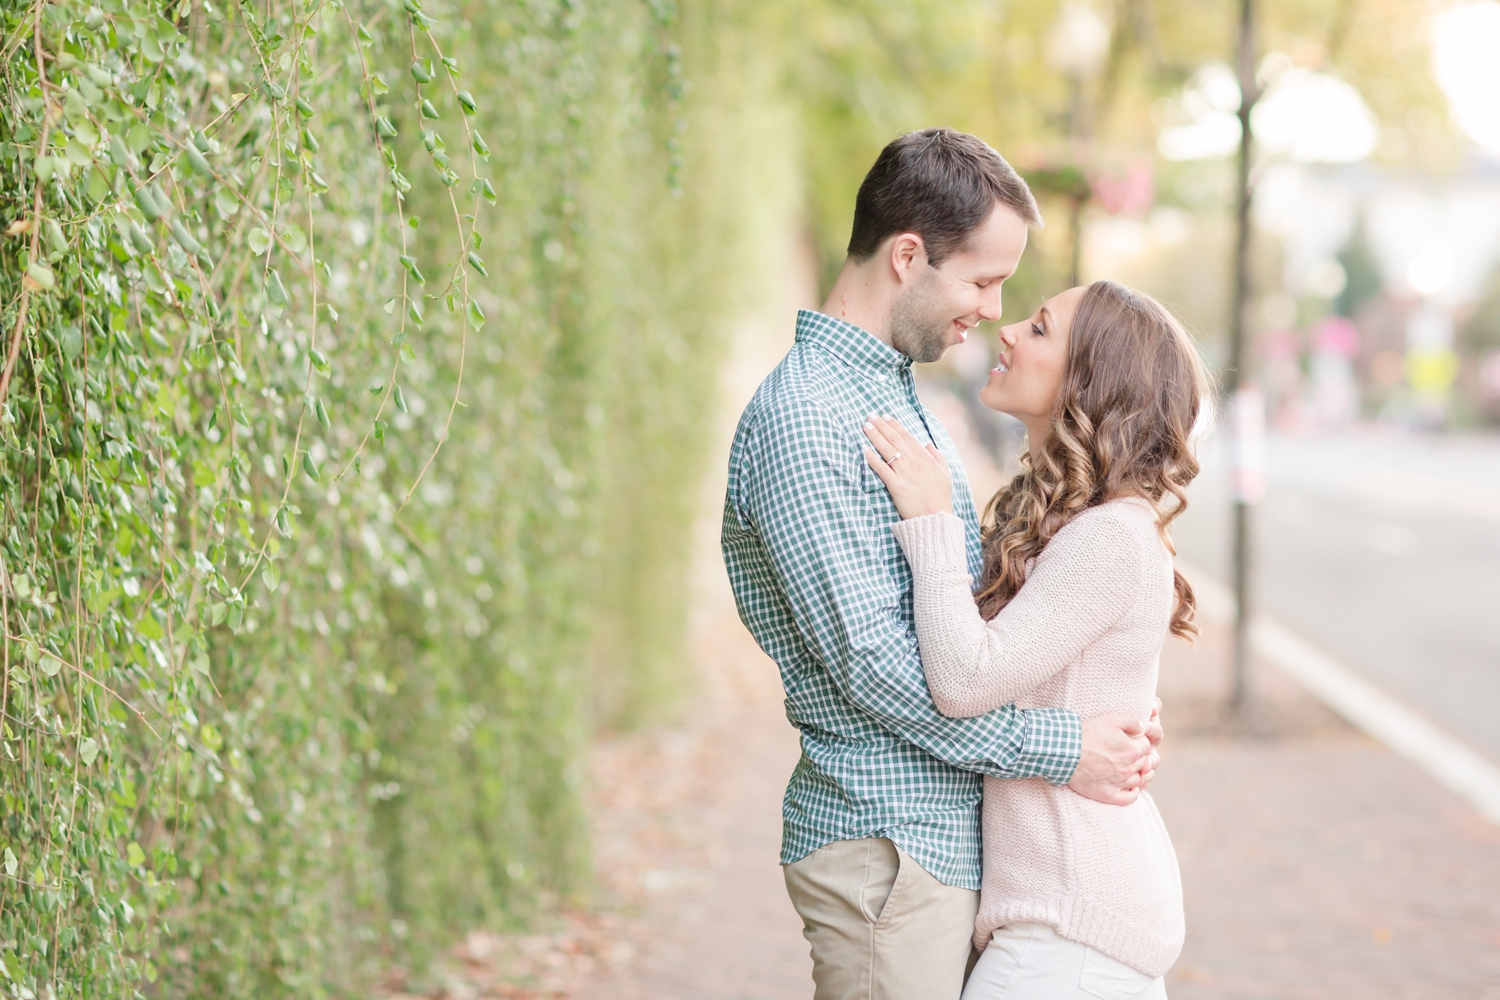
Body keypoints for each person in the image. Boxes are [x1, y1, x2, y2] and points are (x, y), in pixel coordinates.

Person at [721, 127, 1162, 1000]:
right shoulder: (809, 421)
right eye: (984, 281)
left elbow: (964, 627)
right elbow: (882, 674)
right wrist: (1065, 745)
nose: (994, 310)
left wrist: (1106, 706)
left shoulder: (887, 393)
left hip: (939, 847)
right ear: (908, 255)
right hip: (888, 847)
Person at [860, 279, 1209, 999]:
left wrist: (930, 525)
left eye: (1042, 328)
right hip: (1061, 925)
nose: (1009, 329)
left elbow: (963, 681)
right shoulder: (1079, 521)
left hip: (1071, 932)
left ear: (1091, 382)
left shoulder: (1111, 535)